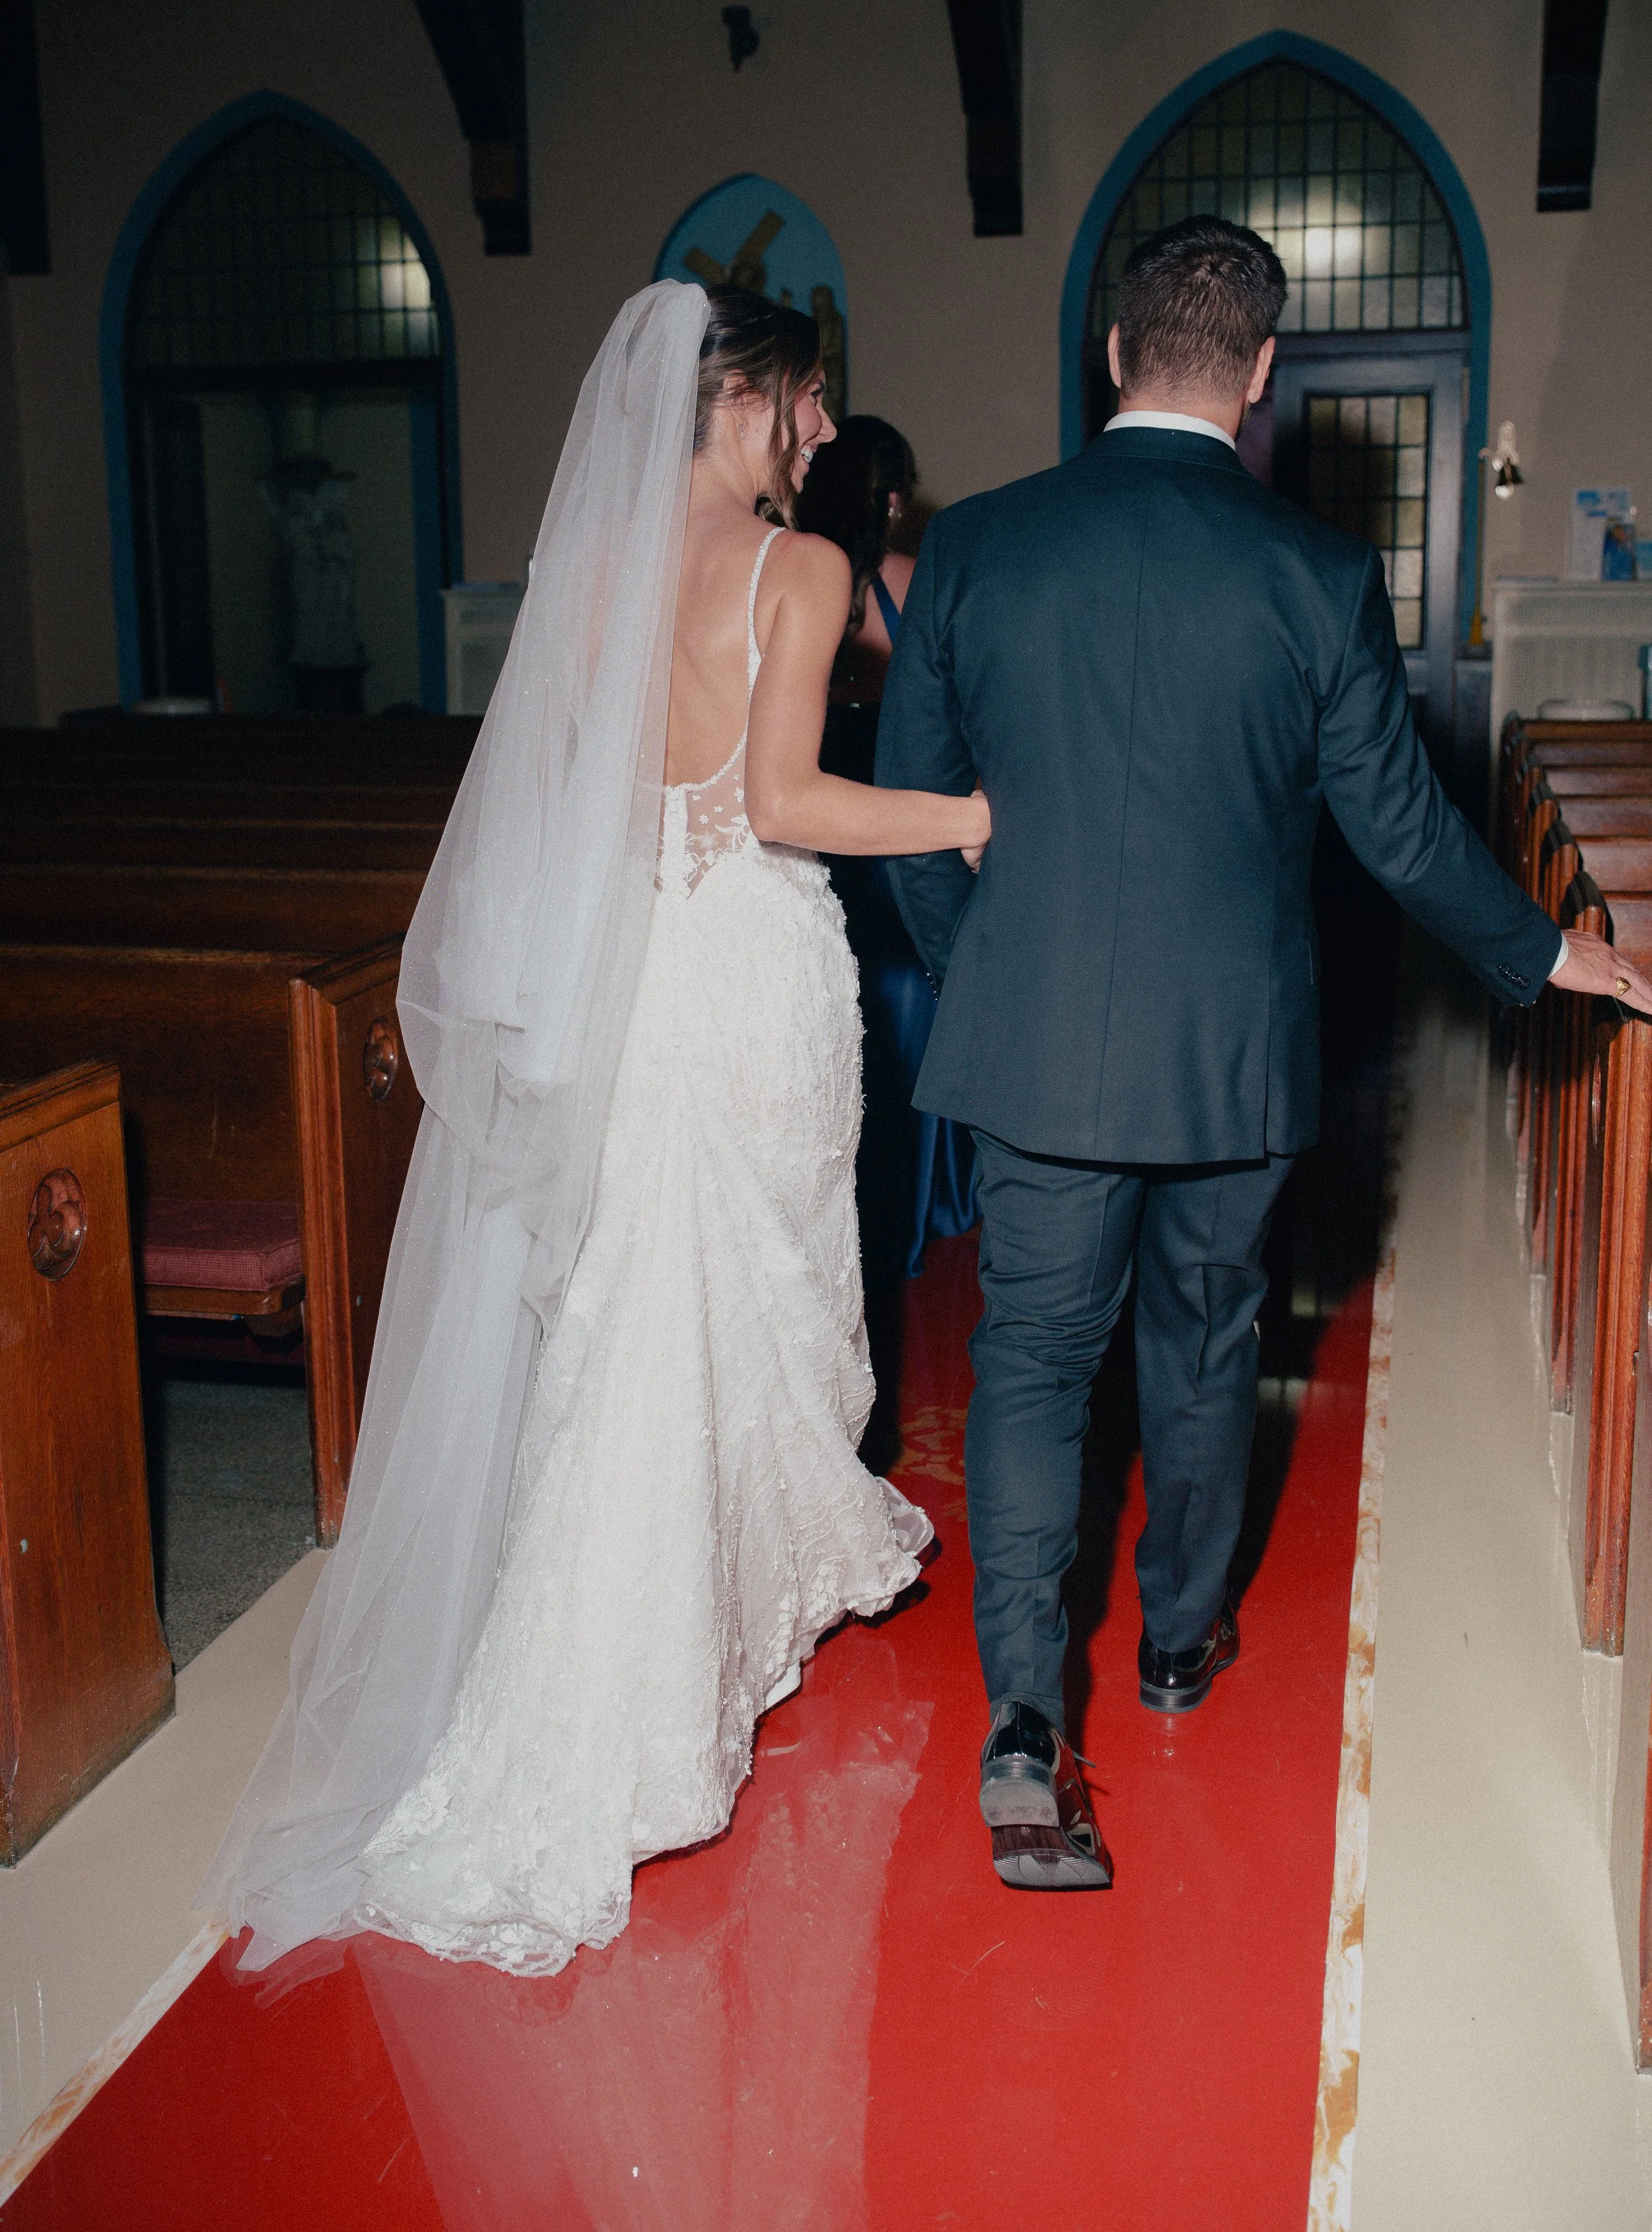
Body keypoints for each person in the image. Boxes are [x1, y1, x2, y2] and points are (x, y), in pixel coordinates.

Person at [201, 281, 990, 1974]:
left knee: (640, 1319)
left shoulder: (591, 580)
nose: (827, 435)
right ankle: (639, 1703)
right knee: (732, 1312)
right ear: (752, 401)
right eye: (813, 404)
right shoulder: (800, 569)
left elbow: (575, 808)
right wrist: (967, 811)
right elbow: (782, 802)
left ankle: (614, 1665)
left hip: (627, 982)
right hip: (752, 974)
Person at [876, 214, 1652, 1893]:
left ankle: (1023, 1725)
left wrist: (987, 977)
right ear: (1257, 376)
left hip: (1036, 1050)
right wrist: (1554, 949)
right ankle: (1173, 1645)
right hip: (1230, 1059)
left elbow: (908, 822)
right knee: (1206, 1339)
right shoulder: (1309, 575)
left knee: (1026, 1365)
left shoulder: (981, 550)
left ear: (1108, 359)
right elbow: (1398, 832)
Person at [798, 416, 979, 1297]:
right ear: (897, 500)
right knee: (912, 1010)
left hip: (815, 849)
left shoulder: (790, 584)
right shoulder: (912, 584)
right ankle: (925, 1207)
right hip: (901, 848)